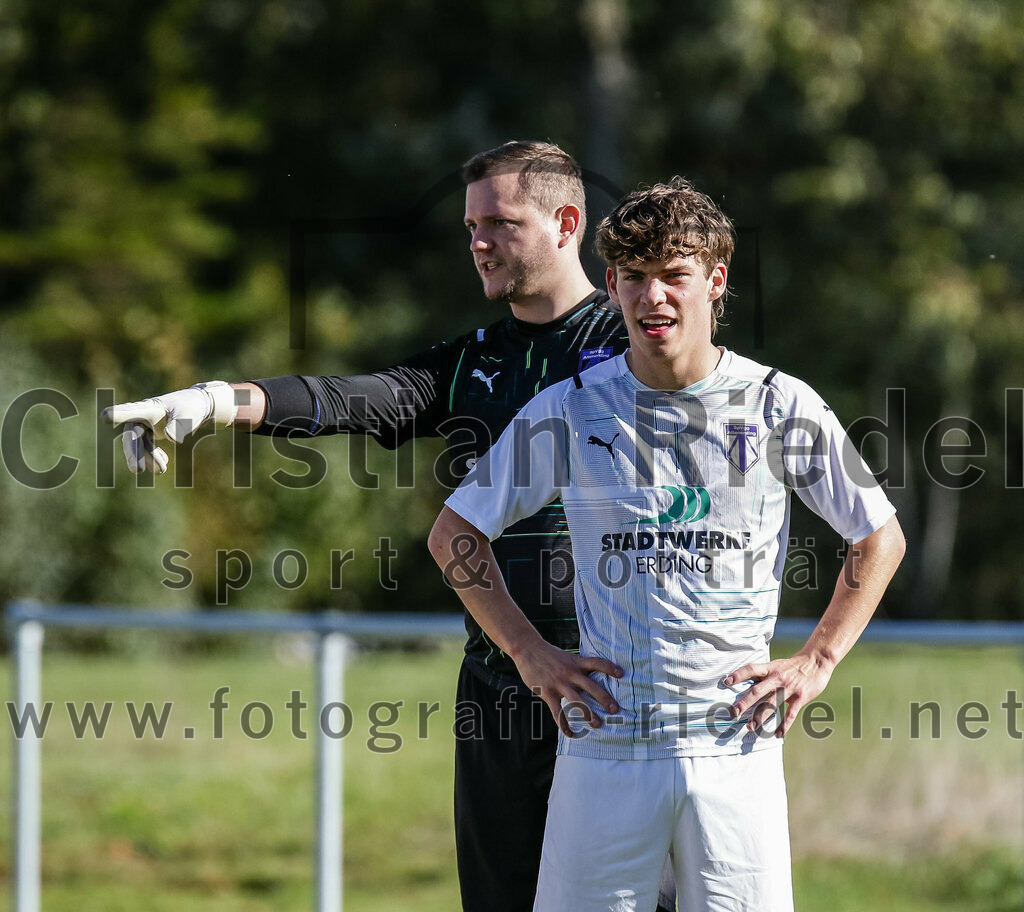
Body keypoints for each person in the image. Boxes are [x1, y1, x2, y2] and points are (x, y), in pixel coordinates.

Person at [102, 142, 677, 912]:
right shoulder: (472, 361)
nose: (478, 240)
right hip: (502, 691)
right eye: (471, 225)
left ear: (567, 222)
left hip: (622, 690)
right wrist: (211, 401)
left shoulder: (637, 344)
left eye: (500, 223)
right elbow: (349, 399)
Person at [429, 177, 907, 911]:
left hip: (733, 749)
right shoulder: (571, 406)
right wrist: (530, 654)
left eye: (674, 276)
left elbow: (878, 536)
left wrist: (817, 660)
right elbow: (455, 533)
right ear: (613, 286)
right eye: (634, 278)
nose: (654, 298)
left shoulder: (778, 402)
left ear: (714, 282)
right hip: (606, 750)